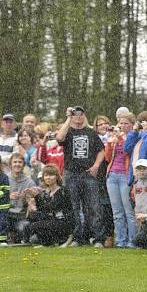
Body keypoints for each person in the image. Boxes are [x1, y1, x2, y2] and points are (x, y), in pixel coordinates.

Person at [55, 106, 106, 248]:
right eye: (75, 114)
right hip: (71, 173)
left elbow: (101, 150)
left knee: (94, 207)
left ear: (84, 115)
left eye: (80, 114)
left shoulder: (91, 132)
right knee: (74, 207)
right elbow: (59, 138)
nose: (78, 116)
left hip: (88, 173)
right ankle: (78, 237)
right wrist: (68, 118)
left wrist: (96, 166)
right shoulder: (68, 132)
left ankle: (98, 238)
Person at [105, 112, 136, 248]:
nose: (123, 126)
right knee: (117, 211)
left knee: (128, 210)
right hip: (112, 174)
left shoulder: (133, 136)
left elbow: (126, 151)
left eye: (125, 123)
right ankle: (121, 240)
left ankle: (132, 240)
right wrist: (109, 144)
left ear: (131, 124)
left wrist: (119, 138)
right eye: (121, 123)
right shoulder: (115, 138)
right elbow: (107, 158)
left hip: (125, 175)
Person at [24, 165, 75, 246]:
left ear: (57, 177)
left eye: (51, 175)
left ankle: (65, 238)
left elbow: (51, 208)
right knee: (31, 217)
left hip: (63, 222)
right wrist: (33, 197)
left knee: (33, 226)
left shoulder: (62, 191)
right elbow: (43, 209)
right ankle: (47, 242)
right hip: (52, 219)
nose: (48, 178)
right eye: (46, 175)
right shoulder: (47, 192)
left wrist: (37, 196)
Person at [7, 152, 36, 243]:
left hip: (21, 217)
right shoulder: (4, 179)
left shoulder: (30, 182)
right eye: (14, 162)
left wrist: (25, 199)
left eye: (20, 162)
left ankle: (17, 236)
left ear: (23, 165)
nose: (17, 164)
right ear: (10, 164)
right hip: (6, 215)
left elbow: (34, 204)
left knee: (24, 228)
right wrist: (8, 197)